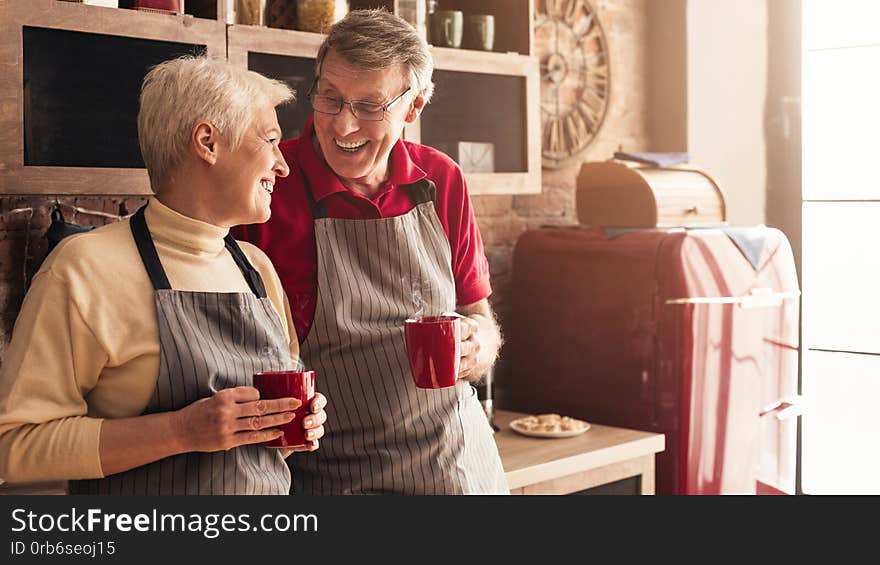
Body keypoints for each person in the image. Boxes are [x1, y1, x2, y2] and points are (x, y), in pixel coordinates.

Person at [0, 56, 327, 495]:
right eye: (269, 140)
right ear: (207, 142)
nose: (282, 165)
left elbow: (260, 450)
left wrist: (291, 426)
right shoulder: (83, 269)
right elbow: (15, 446)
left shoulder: (257, 268)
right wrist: (180, 431)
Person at [234, 9, 508, 494]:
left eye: (368, 106)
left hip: (456, 469)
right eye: (330, 98)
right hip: (330, 479)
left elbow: (479, 317)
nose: (342, 125)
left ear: (414, 106)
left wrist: (479, 345)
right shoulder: (269, 183)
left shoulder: (440, 180)